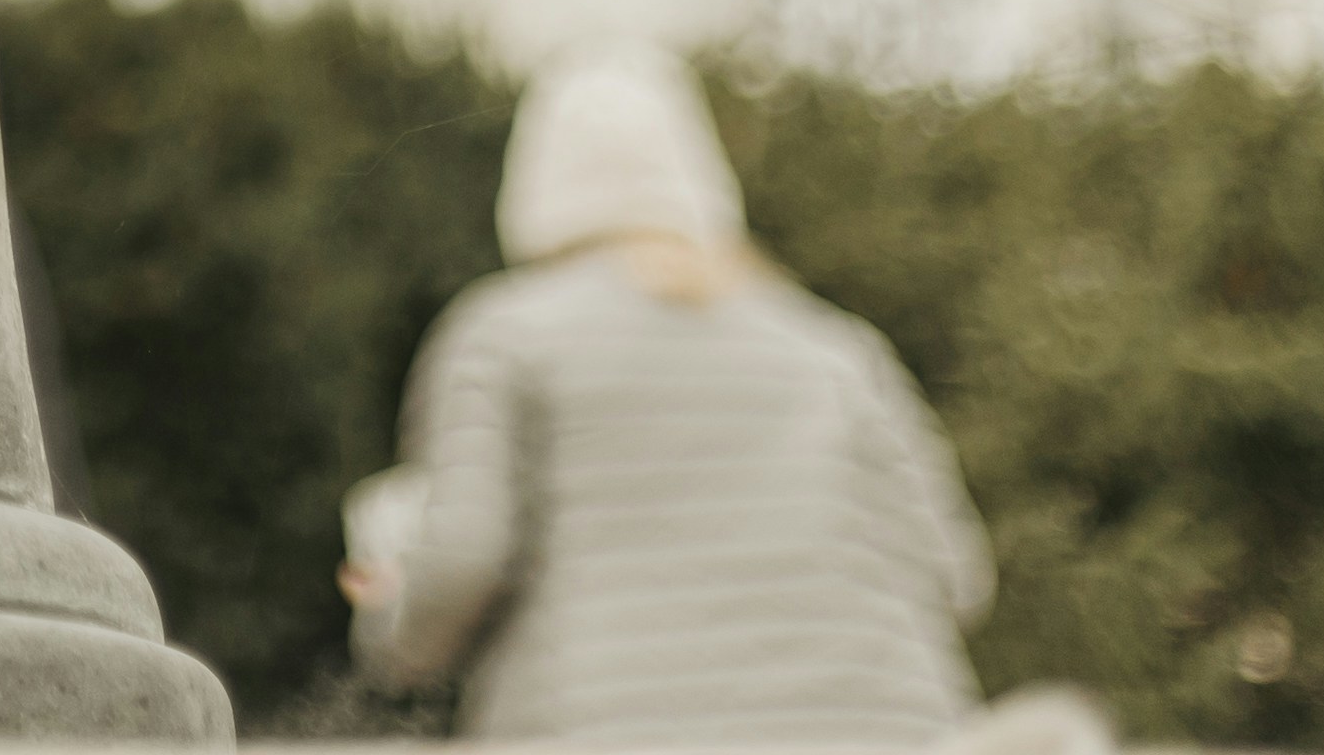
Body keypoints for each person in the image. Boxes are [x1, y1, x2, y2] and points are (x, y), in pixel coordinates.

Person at [352, 42, 992, 744]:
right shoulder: (837, 351)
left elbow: (462, 561)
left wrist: (393, 614)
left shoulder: (503, 335)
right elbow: (958, 580)